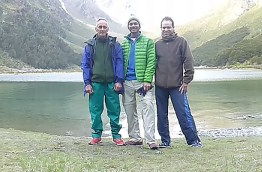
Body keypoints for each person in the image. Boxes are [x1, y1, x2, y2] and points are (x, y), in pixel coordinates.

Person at [155, 16, 202, 148]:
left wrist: (186, 81)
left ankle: (193, 140)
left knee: (183, 113)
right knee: (161, 114)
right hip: (160, 86)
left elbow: (189, 62)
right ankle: (165, 141)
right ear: (161, 29)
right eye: (163, 27)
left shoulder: (181, 42)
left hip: (177, 86)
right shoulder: (157, 45)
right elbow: (152, 64)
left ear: (173, 28)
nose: (166, 30)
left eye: (168, 27)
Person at [81, 18, 125, 146]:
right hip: (96, 83)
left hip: (112, 83)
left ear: (108, 29)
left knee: (114, 110)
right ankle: (96, 135)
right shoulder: (90, 46)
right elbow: (85, 65)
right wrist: (87, 83)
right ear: (96, 29)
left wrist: (119, 81)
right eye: (99, 27)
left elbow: (120, 62)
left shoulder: (115, 45)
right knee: (95, 110)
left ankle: (116, 135)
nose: (102, 29)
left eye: (104, 27)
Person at [121, 16, 158, 150]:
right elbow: (120, 63)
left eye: (135, 24)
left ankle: (151, 140)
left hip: (143, 82)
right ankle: (135, 138)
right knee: (130, 110)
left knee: (148, 107)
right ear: (128, 27)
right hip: (127, 82)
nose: (133, 26)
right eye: (131, 24)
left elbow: (152, 61)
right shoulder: (123, 43)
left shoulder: (148, 42)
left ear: (139, 26)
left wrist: (148, 80)